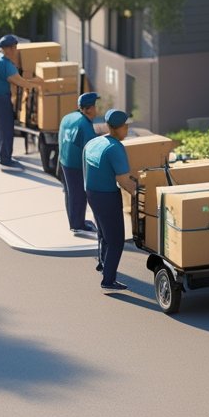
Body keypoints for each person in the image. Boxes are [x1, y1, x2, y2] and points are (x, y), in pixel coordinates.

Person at [84, 109, 137, 292]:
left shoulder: (94, 142)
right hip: (107, 197)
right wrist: (139, 194)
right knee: (116, 240)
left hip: (92, 193)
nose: (128, 129)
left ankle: (102, 263)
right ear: (121, 128)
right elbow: (124, 181)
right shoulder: (115, 148)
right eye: (126, 126)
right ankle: (108, 280)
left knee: (103, 233)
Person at [0, 34, 43, 169]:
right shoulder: (6, 64)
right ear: (10, 48)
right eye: (14, 48)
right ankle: (5, 160)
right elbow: (21, 83)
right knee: (6, 128)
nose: (16, 51)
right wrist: (39, 84)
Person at [58, 92, 99, 233]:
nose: (96, 109)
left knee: (70, 193)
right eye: (94, 106)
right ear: (88, 109)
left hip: (64, 160)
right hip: (76, 165)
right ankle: (78, 225)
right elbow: (91, 149)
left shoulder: (68, 117)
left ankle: (74, 220)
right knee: (79, 196)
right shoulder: (85, 125)